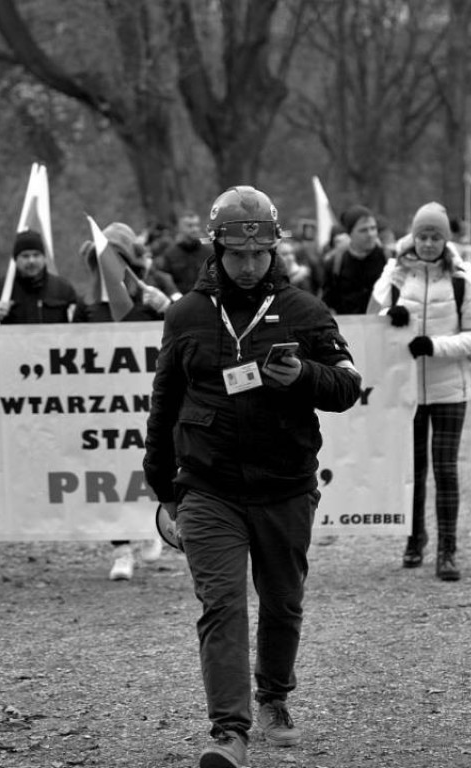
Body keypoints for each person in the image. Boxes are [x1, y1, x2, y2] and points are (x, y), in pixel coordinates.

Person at [143, 185, 362, 768]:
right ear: (216, 250)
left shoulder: (306, 311)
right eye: (236, 255)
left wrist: (306, 377)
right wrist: (163, 487)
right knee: (221, 603)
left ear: (273, 251)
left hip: (285, 484)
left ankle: (274, 696)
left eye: (257, 255)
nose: (246, 265)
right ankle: (228, 732)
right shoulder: (185, 314)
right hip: (208, 485)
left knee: (283, 602)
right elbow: (164, 404)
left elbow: (347, 388)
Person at [370, 202, 471, 579]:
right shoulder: (394, 274)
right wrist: (392, 318)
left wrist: (434, 346)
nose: (428, 243)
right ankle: (413, 537)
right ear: (413, 236)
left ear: (445, 240)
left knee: (445, 469)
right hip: (408, 390)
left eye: (436, 236)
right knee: (413, 470)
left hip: (450, 388)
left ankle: (447, 549)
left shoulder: (462, 279)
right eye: (422, 235)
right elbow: (373, 320)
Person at [81, 222, 174, 579]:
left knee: (151, 465)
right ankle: (120, 549)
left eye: (117, 258)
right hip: (105, 410)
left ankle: (151, 526)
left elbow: (189, 330)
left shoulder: (154, 291)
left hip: (151, 402)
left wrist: (168, 307)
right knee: (108, 468)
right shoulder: (87, 305)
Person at [0, 229, 85, 324]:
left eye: (36, 255)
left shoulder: (63, 289)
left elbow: (79, 325)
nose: (31, 261)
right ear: (15, 259)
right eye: (25, 256)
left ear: (44, 258)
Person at [320, 204, 387, 314]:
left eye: (373, 228)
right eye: (363, 230)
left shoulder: (388, 258)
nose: (370, 234)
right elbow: (327, 304)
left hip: (383, 327)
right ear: (349, 233)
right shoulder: (335, 264)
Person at [154, 210, 214, 295]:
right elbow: (164, 281)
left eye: (197, 225)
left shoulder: (209, 252)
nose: (195, 229)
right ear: (180, 228)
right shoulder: (170, 254)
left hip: (207, 301)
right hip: (182, 302)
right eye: (190, 226)